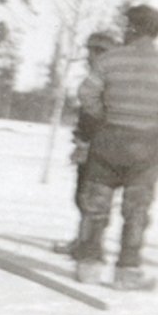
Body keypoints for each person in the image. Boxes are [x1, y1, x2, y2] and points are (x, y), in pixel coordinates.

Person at [71, 6, 158, 290]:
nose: (124, 30)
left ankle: (88, 266)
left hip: (108, 142)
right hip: (146, 146)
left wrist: (103, 118)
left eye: (127, 26)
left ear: (134, 28)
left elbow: (86, 93)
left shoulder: (110, 59)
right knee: (137, 211)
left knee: (96, 206)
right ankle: (126, 271)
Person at [53, 31, 120, 256]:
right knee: (82, 195)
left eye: (99, 51)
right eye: (90, 50)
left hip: (102, 146)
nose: (91, 56)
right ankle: (83, 240)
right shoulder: (95, 77)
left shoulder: (112, 80)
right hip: (88, 144)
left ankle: (90, 244)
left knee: (94, 198)